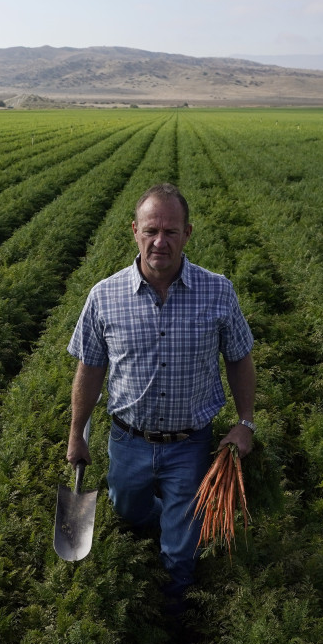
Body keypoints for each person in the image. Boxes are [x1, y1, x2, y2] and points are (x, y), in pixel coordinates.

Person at [66, 183, 256, 607]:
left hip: (190, 443)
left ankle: (176, 609)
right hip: (127, 439)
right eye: (151, 230)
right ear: (134, 231)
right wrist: (77, 433)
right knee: (128, 511)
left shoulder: (218, 291)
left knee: (178, 551)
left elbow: (240, 359)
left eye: (171, 231)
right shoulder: (104, 296)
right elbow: (90, 369)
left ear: (188, 233)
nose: (160, 241)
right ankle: (171, 518)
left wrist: (245, 423)